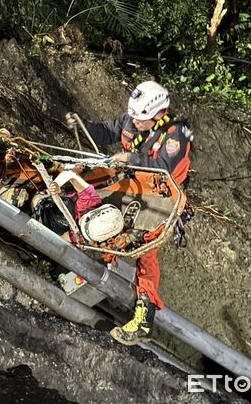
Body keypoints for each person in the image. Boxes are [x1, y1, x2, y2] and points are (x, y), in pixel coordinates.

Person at [65, 80, 193, 345]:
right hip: (129, 190)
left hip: (159, 203)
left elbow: (165, 169)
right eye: (132, 116)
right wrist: (82, 126)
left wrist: (130, 159)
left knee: (144, 253)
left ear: (159, 114)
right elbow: (106, 131)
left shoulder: (175, 134)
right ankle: (85, 271)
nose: (134, 122)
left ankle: (144, 320)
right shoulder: (132, 119)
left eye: (141, 118)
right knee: (96, 216)